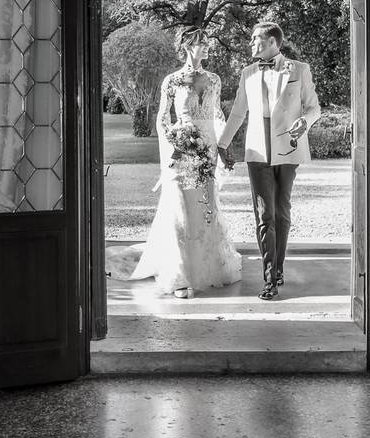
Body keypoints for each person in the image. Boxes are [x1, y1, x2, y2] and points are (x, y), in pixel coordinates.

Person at [107, 27, 242, 298]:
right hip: (180, 149)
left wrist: (221, 147)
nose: (205, 47)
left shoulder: (214, 79)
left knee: (204, 205)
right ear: (186, 47)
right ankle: (179, 274)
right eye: (199, 43)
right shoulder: (172, 80)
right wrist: (172, 143)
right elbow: (162, 118)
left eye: (206, 43)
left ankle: (209, 266)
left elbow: (217, 114)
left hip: (207, 147)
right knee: (179, 205)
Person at [217, 22, 321, 300]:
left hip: (288, 147)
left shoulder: (299, 69)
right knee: (265, 214)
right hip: (257, 151)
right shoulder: (248, 73)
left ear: (273, 42)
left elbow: (314, 107)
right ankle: (270, 277)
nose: (251, 43)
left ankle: (279, 266)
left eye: (256, 39)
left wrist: (305, 122)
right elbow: (239, 111)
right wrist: (222, 144)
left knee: (281, 212)